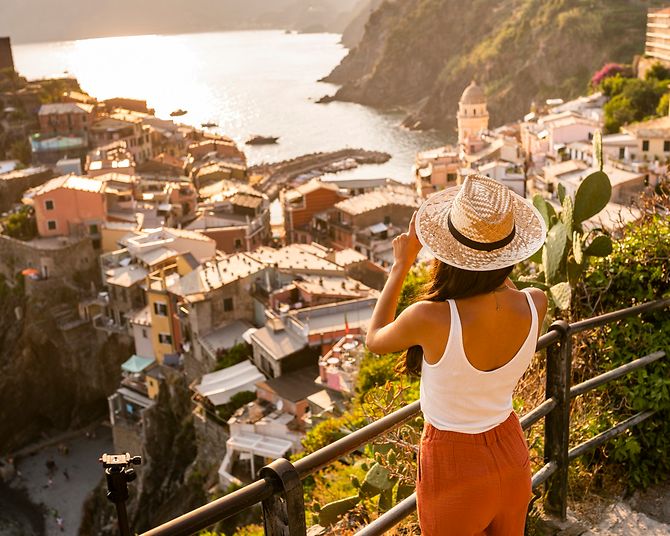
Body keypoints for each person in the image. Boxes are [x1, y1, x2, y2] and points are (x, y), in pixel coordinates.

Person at [366, 174, 548, 535]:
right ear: (510, 253)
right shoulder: (535, 302)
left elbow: (374, 339)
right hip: (511, 451)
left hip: (453, 465)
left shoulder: (430, 318)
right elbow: (497, 282)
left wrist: (402, 263)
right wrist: (490, 255)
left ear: (448, 253)